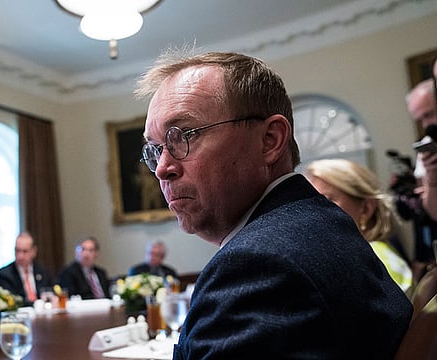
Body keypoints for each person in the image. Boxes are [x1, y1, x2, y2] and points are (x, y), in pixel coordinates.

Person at [134, 49, 412, 358]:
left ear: (270, 140)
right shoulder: (320, 223)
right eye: (157, 149)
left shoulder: (256, 265)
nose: (162, 168)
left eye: (184, 135)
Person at [306, 158, 413, 295]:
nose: (312, 211)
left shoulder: (371, 260)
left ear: (366, 208)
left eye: (326, 200)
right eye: (309, 203)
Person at [395, 78, 437, 263]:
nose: (427, 125)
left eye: (429, 114)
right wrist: (433, 180)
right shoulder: (428, 150)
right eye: (420, 120)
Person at [0, 231, 54, 306]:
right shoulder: (4, 275)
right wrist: (37, 303)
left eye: (25, 251)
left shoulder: (43, 272)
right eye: (17, 251)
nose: (20, 256)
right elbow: (13, 301)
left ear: (34, 251)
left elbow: (51, 292)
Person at [58, 234, 110, 299]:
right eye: (83, 249)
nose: (86, 254)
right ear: (76, 252)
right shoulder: (69, 273)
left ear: (96, 254)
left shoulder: (101, 273)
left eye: (90, 250)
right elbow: (71, 297)